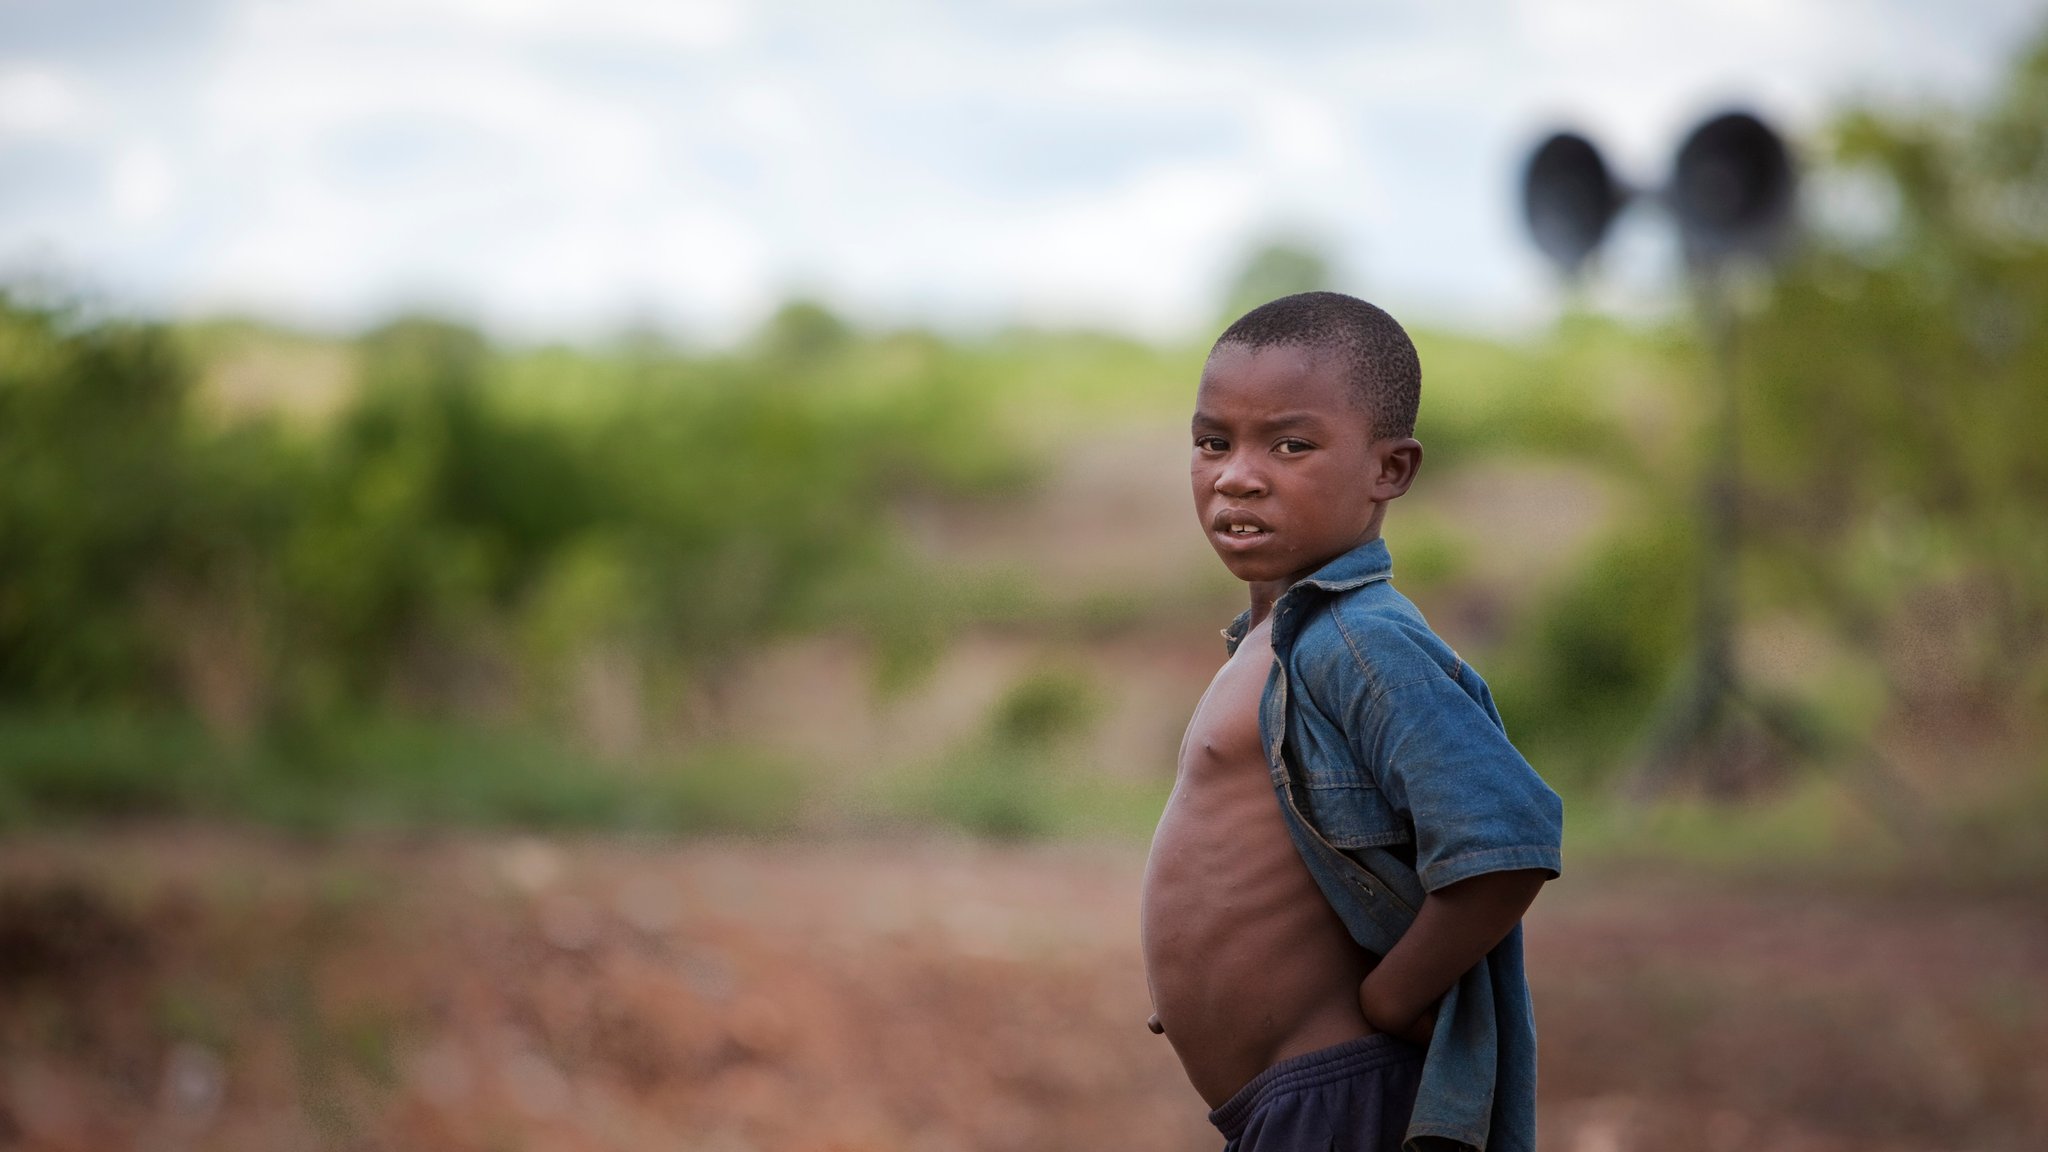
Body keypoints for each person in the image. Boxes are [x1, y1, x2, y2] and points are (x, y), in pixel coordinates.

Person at [1140, 292, 1564, 1152]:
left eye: (1290, 445)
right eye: (1213, 442)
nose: (1236, 475)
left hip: (1342, 1095)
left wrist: (1393, 998)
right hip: (1284, 1102)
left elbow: (1507, 833)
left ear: (1390, 470)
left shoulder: (1360, 640)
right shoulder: (1271, 642)